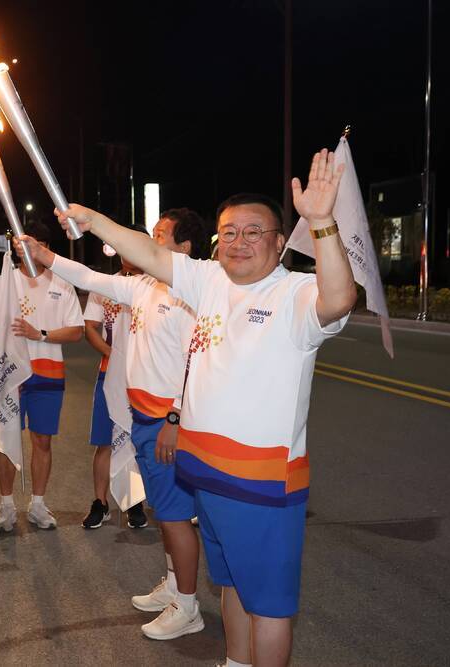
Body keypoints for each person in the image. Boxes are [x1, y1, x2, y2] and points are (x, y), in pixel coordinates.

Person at [52, 150, 357, 667]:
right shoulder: (208, 280)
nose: (239, 242)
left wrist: (323, 221)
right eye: (229, 232)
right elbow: (148, 254)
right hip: (207, 475)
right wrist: (93, 219)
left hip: (262, 485)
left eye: (254, 232)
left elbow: (339, 298)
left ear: (280, 243)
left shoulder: (294, 293)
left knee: (271, 608)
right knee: (232, 585)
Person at [22, 208, 211, 641]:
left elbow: (194, 363)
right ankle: (172, 583)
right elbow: (90, 279)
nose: (146, 243)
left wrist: (174, 418)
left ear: (183, 249)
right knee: (165, 511)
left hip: (167, 421)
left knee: (176, 515)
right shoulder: (142, 286)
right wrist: (46, 257)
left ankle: (187, 605)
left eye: (159, 235)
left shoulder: (189, 295)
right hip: (143, 416)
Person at [0, 221, 84, 532]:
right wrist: (6, 359)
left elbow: (76, 331)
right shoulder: (2, 285)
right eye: (22, 247)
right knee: (6, 442)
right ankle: (6, 506)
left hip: (48, 374)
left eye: (36, 246)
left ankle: (37, 504)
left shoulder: (62, 285)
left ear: (46, 249)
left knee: (42, 441)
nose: (27, 252)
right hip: (11, 375)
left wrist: (42, 334)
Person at [80, 239, 147, 531]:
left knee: (138, 441)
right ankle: (101, 503)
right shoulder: (105, 285)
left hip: (145, 379)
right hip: (109, 375)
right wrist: (111, 354)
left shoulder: (156, 286)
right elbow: (90, 327)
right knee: (105, 441)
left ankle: (134, 502)